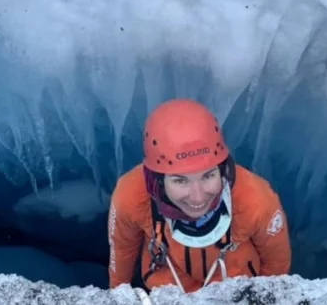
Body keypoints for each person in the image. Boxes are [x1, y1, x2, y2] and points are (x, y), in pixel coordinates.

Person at [108, 98, 291, 293]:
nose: (197, 198)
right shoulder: (131, 196)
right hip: (166, 292)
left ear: (222, 170)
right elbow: (122, 254)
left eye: (208, 175)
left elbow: (276, 269)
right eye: (180, 180)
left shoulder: (258, 201)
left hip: (236, 290)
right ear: (158, 180)